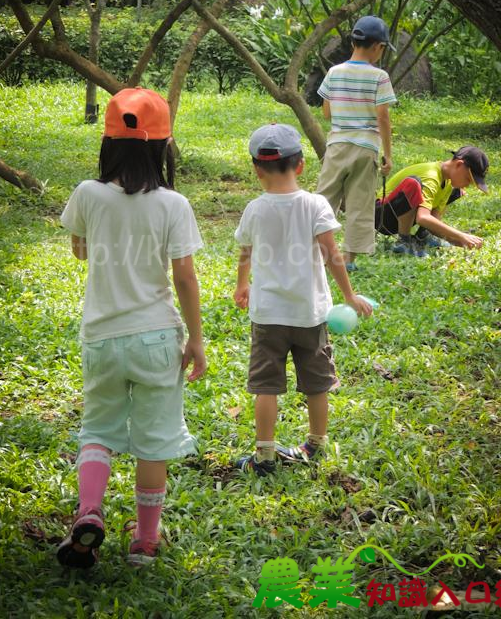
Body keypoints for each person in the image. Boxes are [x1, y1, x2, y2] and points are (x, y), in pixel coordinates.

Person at [58, 88, 206, 568]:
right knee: (152, 440)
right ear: (162, 147)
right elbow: (184, 277)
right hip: (157, 339)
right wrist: (197, 339)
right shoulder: (173, 204)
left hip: (101, 337)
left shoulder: (87, 193)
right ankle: (144, 541)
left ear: (108, 143)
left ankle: (90, 512)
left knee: (97, 430)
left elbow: (80, 250)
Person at [233, 123, 372, 476]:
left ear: (256, 168)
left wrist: (242, 285)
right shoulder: (315, 204)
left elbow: (245, 253)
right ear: (301, 165)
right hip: (310, 314)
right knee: (316, 383)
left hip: (267, 315)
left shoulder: (254, 208)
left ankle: (264, 455)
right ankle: (316, 444)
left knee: (266, 386)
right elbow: (333, 255)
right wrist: (349, 295)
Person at [316, 15, 397, 271]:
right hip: (366, 147)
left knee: (324, 200)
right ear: (377, 46)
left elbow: (326, 113)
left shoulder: (334, 72)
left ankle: (318, 256)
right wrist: (388, 154)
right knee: (359, 204)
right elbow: (383, 116)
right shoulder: (380, 77)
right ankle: (349, 260)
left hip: (337, 145)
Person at [375, 146, 489, 256]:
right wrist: (460, 235)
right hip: (382, 216)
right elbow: (423, 218)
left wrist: (458, 241)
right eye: (468, 179)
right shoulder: (431, 176)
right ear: (459, 164)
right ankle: (404, 241)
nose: (467, 184)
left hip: (398, 215)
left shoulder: (448, 182)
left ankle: (423, 236)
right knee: (413, 184)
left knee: (456, 191)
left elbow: (434, 221)